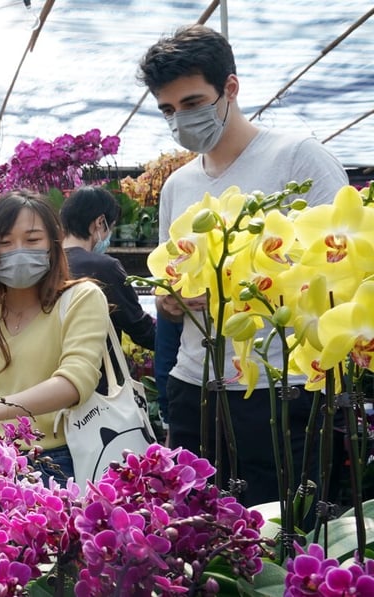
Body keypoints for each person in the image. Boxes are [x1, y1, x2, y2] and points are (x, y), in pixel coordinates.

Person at [138, 24, 348, 505]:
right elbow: (170, 276)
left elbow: (341, 278)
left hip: (280, 387)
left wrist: (241, 288)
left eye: (192, 104)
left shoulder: (298, 160)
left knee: (279, 540)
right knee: (196, 541)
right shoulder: (178, 186)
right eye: (168, 111)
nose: (180, 121)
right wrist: (169, 300)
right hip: (195, 385)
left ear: (230, 87)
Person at [0, 191, 110, 481]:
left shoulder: (81, 299)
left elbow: (75, 381)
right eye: (4, 243)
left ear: (53, 244)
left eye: (32, 240)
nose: (18, 251)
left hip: (62, 461)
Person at [60, 186, 155, 350]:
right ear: (99, 222)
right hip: (94, 369)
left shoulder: (47, 262)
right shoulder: (104, 267)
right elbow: (140, 330)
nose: (108, 236)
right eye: (110, 228)